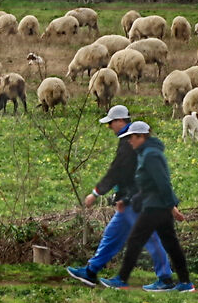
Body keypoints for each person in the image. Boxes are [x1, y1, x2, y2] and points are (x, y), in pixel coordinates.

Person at [64, 104, 173, 287]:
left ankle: (165, 278)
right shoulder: (129, 141)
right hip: (127, 200)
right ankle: (91, 271)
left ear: (120, 121)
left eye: (111, 123)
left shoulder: (128, 143)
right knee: (112, 235)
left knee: (150, 238)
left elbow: (117, 171)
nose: (109, 127)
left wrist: (96, 193)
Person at [103, 121, 192, 292]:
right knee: (170, 243)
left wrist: (172, 207)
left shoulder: (151, 155)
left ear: (142, 137)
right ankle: (183, 283)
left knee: (136, 240)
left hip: (155, 207)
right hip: (156, 205)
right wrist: (128, 199)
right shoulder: (146, 153)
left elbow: (163, 183)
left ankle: (121, 279)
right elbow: (146, 185)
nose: (129, 141)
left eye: (132, 137)